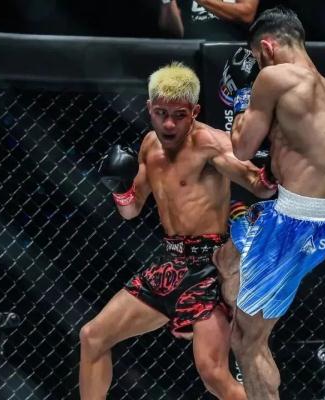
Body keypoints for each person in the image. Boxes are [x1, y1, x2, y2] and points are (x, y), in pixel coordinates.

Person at [79, 62, 276, 400]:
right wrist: (119, 188)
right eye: (161, 113)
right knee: (92, 336)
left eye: (179, 115)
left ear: (194, 112)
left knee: (213, 374)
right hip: (170, 265)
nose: (169, 123)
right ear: (149, 109)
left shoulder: (210, 144)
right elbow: (131, 210)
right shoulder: (148, 146)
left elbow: (260, 186)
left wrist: (271, 170)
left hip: (209, 268)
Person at [213, 6, 325, 399]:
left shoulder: (274, 77)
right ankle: (241, 286)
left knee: (246, 341)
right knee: (226, 258)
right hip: (317, 220)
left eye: (258, 60)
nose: (259, 67)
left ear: (268, 48)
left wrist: (242, 93)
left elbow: (242, 148)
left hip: (290, 225)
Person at [158, 0, 259, 40]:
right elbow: (169, 27)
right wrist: (168, 2)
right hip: (192, 48)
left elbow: (247, 14)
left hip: (231, 47)